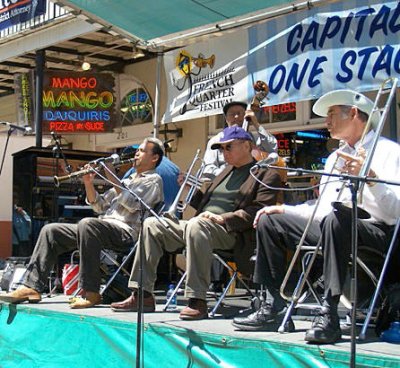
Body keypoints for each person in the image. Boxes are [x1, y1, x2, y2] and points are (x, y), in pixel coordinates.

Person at [232, 89, 400, 343]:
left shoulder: (390, 151)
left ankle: (329, 311)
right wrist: (285, 210)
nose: (326, 121)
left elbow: (394, 214)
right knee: (270, 219)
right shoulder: (335, 157)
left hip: (377, 231)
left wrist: (371, 179)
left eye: (332, 113)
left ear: (354, 113)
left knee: (337, 218)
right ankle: (272, 305)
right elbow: (322, 208)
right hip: (336, 225)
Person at [110, 126, 282, 319]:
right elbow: (203, 201)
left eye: (228, 147)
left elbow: (258, 211)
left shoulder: (266, 174)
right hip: (200, 226)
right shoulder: (224, 172)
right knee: (152, 224)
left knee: (196, 224)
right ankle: (142, 294)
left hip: (232, 232)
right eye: (221, 148)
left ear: (247, 145)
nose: (223, 153)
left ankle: (197, 300)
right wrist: (187, 190)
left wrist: (222, 218)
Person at [0, 137, 165, 308]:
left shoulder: (153, 180)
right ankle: (31, 286)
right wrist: (88, 182)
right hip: (99, 228)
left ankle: (91, 291)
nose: (137, 153)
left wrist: (110, 174)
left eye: (143, 151)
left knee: (88, 224)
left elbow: (132, 203)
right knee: (51, 231)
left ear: (154, 158)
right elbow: (99, 205)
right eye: (138, 150)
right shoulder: (128, 180)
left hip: (125, 233)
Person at [202, 101, 277, 179]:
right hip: (226, 182)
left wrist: (256, 123)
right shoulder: (216, 140)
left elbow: (272, 149)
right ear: (226, 118)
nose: (236, 116)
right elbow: (207, 168)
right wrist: (229, 175)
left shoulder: (253, 138)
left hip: (253, 181)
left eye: (240, 113)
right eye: (232, 114)